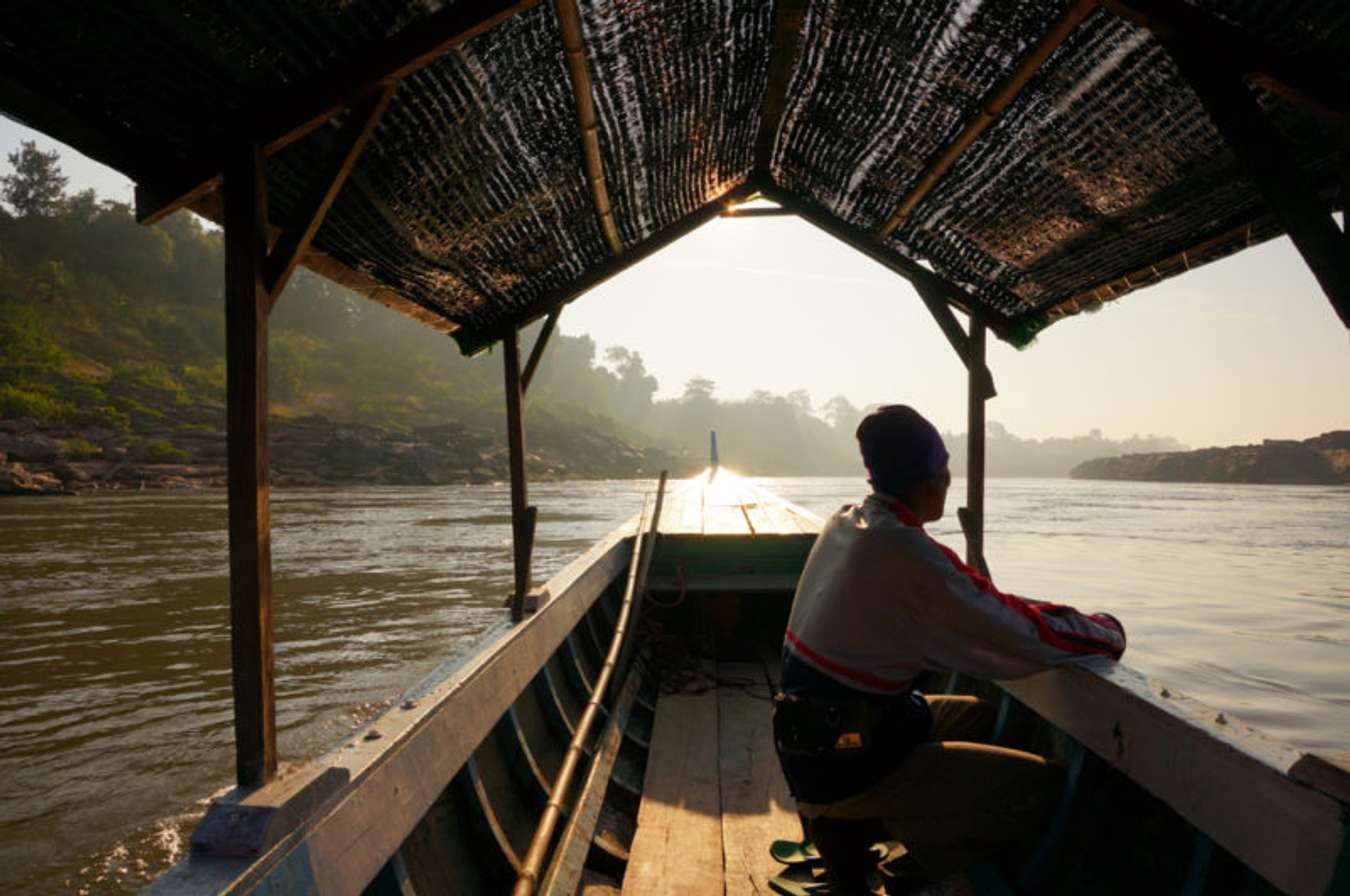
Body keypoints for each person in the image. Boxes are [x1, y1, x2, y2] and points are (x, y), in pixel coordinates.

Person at [774, 405, 1126, 893]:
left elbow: (971, 604)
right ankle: (927, 864)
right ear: (930, 477)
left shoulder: (846, 523)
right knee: (1042, 787)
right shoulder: (907, 554)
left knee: (979, 715)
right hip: (848, 764)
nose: (948, 478)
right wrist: (1107, 633)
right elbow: (1019, 635)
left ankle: (853, 829)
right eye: (944, 468)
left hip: (816, 744)